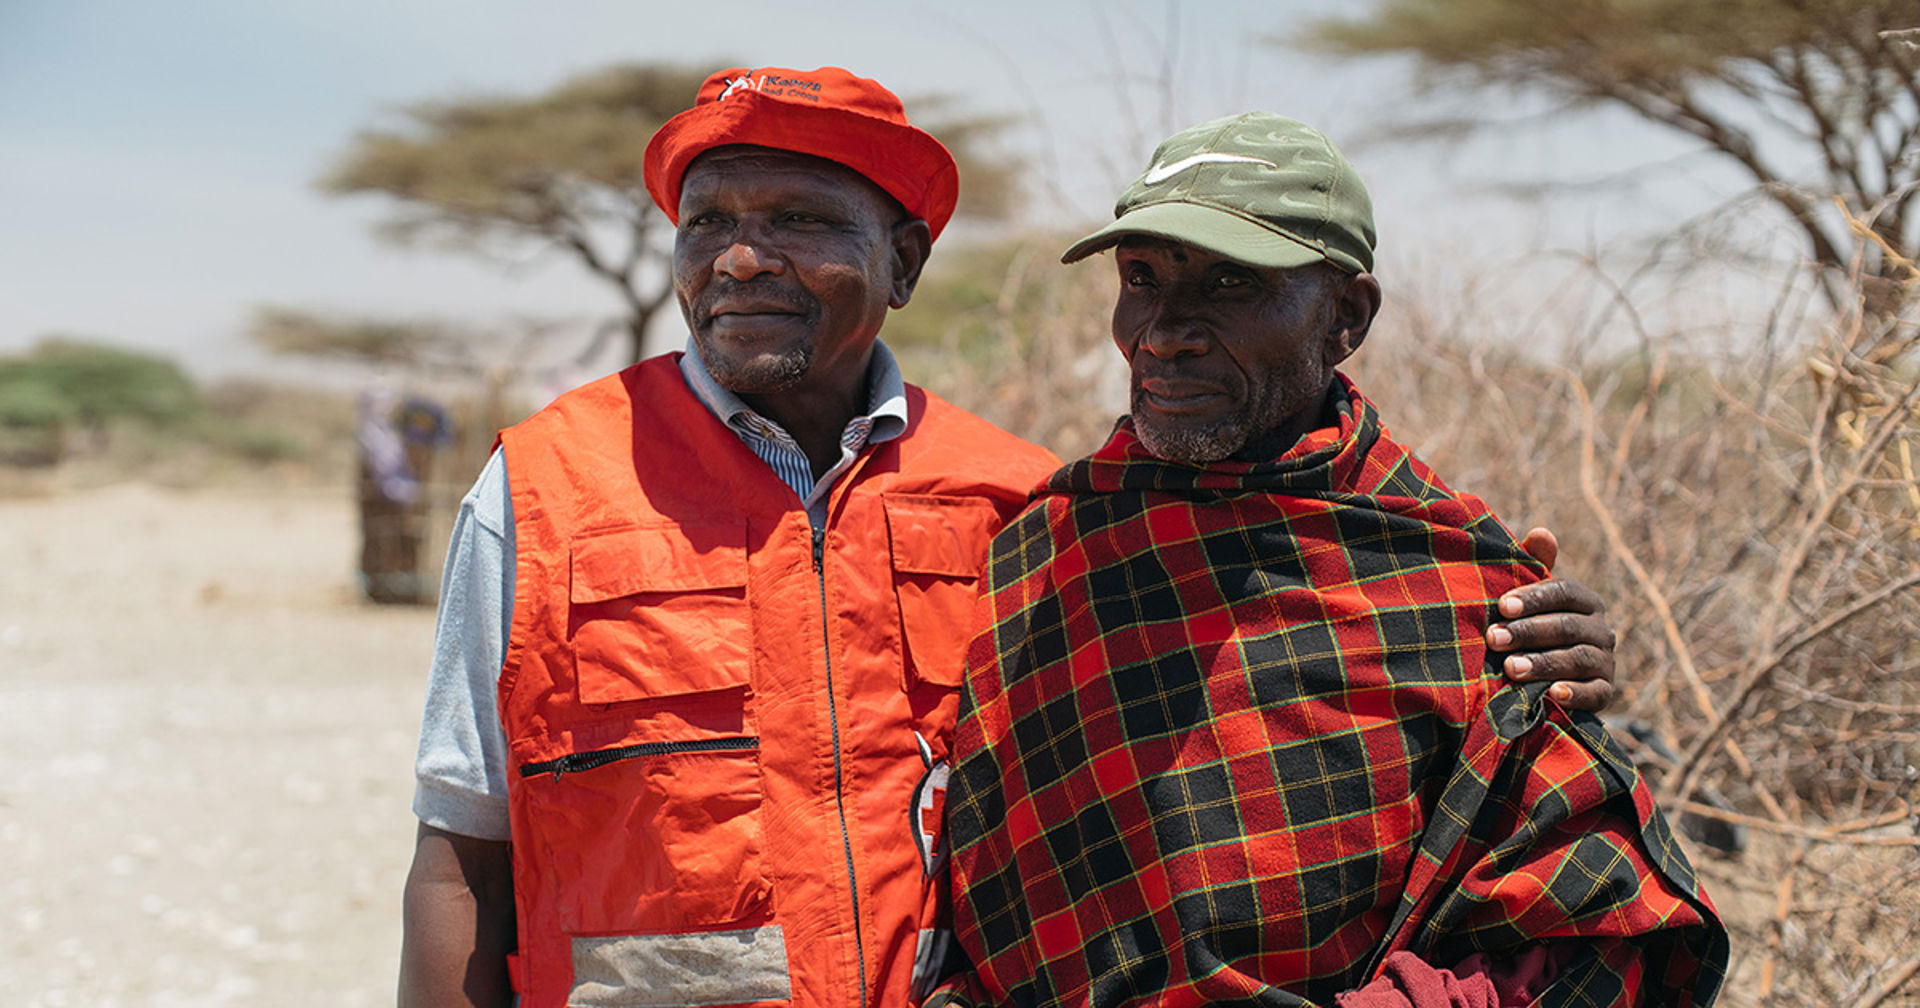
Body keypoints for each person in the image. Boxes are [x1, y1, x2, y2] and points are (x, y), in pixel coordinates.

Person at [397, 70, 1622, 1008]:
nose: (742, 256)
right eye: (707, 218)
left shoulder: (1019, 508)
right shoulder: (542, 487)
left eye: (801, 219)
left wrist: (1529, 650)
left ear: (906, 260)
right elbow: (464, 845)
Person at [931, 113, 1727, 1007]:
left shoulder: (1456, 581)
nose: (1162, 331)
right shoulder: (1047, 547)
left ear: (1346, 316)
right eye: (1142, 278)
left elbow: (1584, 919)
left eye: (1231, 282)